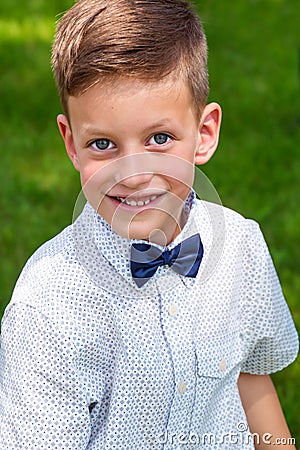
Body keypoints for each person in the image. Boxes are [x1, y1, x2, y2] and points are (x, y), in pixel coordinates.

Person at [0, 0, 298, 448]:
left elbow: (250, 382)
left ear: (205, 133)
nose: (135, 174)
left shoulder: (240, 245)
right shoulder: (49, 307)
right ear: (71, 143)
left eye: (159, 138)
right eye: (103, 144)